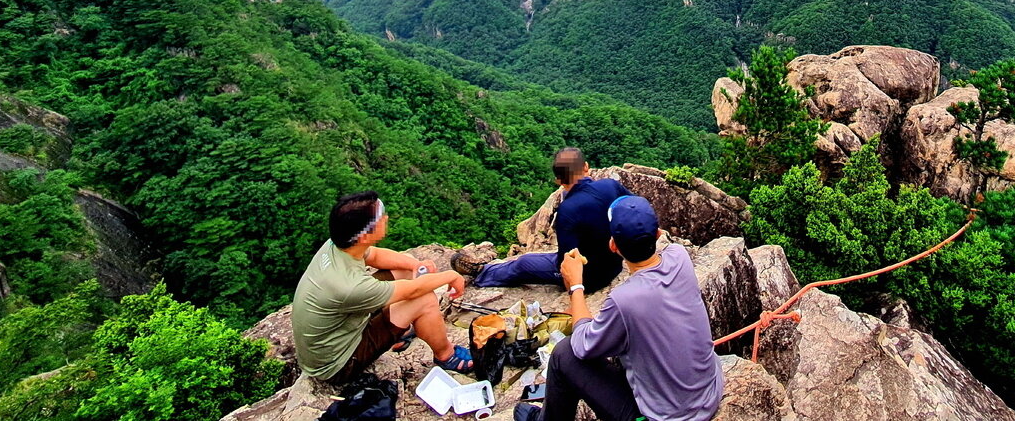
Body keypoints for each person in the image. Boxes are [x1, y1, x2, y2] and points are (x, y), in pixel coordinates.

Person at [515, 195, 724, 421]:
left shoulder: (624, 300)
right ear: (657, 234)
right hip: (709, 393)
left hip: (666, 417)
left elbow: (583, 344)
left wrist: (575, 284)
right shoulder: (679, 256)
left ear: (613, 245)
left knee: (564, 354)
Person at [291, 191, 473, 383]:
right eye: (380, 217)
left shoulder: (336, 245)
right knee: (424, 300)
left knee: (405, 267)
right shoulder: (350, 286)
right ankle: (446, 355)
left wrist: (414, 265)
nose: (385, 218)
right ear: (363, 236)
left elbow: (375, 256)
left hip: (341, 327)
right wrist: (450, 275)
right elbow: (414, 291)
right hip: (338, 364)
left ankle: (398, 333)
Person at [464, 147, 632, 291]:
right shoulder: (611, 185)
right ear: (586, 167)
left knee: (523, 263)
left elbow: (565, 264)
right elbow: (637, 208)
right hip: (614, 265)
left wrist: (574, 294)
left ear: (558, 181)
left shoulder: (568, 210)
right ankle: (487, 269)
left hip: (590, 278)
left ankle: (481, 274)